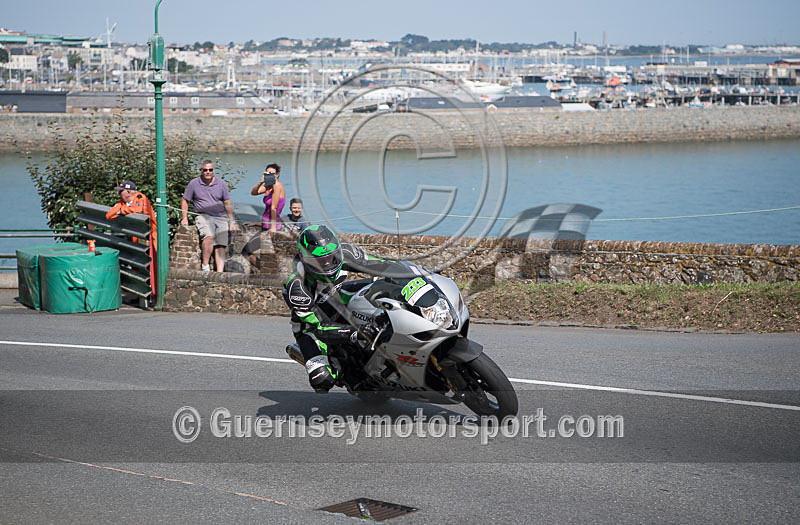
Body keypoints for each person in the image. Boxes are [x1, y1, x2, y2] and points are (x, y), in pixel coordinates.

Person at [282, 224, 416, 393]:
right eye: (321, 261)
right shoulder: (297, 287)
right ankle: (343, 371)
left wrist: (415, 275)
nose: (328, 263)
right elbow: (321, 328)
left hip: (338, 297)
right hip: (312, 327)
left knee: (384, 288)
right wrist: (356, 332)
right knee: (322, 380)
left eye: (331, 257)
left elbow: (382, 265)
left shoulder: (346, 253)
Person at [181, 160, 238, 272]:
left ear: (213, 171)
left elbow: (227, 203)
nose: (208, 172)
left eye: (210, 170)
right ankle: (205, 266)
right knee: (209, 236)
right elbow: (185, 200)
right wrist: (184, 218)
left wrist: (232, 221)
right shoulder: (194, 183)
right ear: (201, 171)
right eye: (205, 170)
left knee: (221, 244)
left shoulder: (221, 184)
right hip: (203, 216)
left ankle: (220, 273)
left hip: (221, 216)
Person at [105, 180, 157, 246]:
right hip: (134, 234)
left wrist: (121, 211)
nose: (119, 194)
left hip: (150, 234)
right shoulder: (122, 202)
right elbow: (109, 215)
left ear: (128, 192)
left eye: (121, 191)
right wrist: (120, 212)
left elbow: (138, 209)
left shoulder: (141, 198)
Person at [250, 163, 285, 233]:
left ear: (277, 175)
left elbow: (274, 208)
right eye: (267, 173)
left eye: (271, 173)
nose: (269, 175)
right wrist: (261, 182)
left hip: (274, 225)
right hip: (265, 224)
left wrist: (273, 228)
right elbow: (253, 193)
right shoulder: (268, 186)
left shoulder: (277, 185)